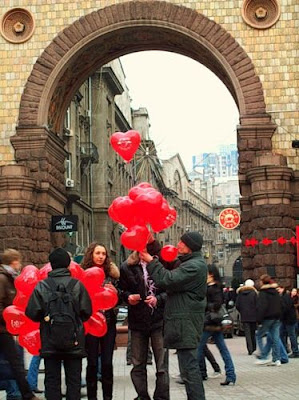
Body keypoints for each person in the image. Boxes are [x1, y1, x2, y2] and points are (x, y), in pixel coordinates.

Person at [140, 231, 207, 400]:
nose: (178, 245)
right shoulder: (190, 263)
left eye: (182, 243)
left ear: (190, 247)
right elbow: (169, 264)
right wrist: (153, 245)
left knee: (190, 370)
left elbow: (167, 279)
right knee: (188, 370)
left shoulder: (194, 266)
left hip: (187, 323)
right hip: (184, 322)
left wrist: (150, 261)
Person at [25, 247, 92, 400]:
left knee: (52, 381)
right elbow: (87, 311)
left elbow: (32, 313)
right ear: (69, 265)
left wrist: (46, 318)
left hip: (50, 341)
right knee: (73, 381)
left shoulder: (42, 286)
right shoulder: (77, 285)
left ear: (51, 265)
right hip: (74, 341)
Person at [119, 238, 169, 400]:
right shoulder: (127, 267)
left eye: (146, 249)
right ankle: (142, 396)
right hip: (137, 321)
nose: (142, 252)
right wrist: (128, 297)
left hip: (158, 320)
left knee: (161, 365)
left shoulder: (160, 266)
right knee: (138, 364)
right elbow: (121, 290)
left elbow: (170, 289)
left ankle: (161, 397)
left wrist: (158, 299)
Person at [0, 248, 40, 400]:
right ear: (13, 262)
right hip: (3, 329)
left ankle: (21, 393)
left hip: (6, 329)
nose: (20, 265)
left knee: (15, 361)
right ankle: (27, 395)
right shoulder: (3, 279)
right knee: (15, 361)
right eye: (18, 261)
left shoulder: (10, 278)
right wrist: (10, 320)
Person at [81, 242, 120, 400]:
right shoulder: (84, 273)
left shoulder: (111, 275)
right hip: (90, 323)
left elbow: (120, 297)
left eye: (103, 254)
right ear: (91, 254)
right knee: (91, 363)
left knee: (107, 363)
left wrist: (116, 292)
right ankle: (92, 397)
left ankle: (107, 397)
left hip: (108, 323)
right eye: (97, 253)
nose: (100, 256)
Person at [197, 264, 236, 386]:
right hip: (213, 322)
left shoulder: (215, 288)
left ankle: (198, 373)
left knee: (199, 349)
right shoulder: (210, 286)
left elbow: (217, 304)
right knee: (222, 349)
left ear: (211, 274)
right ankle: (230, 375)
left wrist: (204, 306)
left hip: (209, 322)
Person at [255, 274, 281, 366]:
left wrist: (259, 320)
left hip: (267, 317)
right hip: (277, 317)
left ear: (262, 282)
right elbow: (280, 304)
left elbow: (262, 307)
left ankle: (263, 356)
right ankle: (277, 359)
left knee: (259, 335)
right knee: (275, 338)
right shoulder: (275, 291)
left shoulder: (263, 293)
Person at [235, 279, 258, 355]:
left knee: (247, 333)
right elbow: (257, 304)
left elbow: (237, 305)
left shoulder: (240, 294)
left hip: (244, 316)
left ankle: (250, 349)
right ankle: (254, 347)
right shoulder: (254, 293)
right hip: (253, 316)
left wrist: (242, 311)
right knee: (253, 332)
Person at [277, 285, 299, 358]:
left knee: (291, 335)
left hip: (288, 319)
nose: (278, 290)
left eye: (279, 289)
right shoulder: (285, 296)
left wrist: (280, 315)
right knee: (283, 335)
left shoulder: (285, 297)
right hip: (286, 319)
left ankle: (295, 351)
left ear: (282, 288)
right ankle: (284, 349)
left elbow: (285, 308)